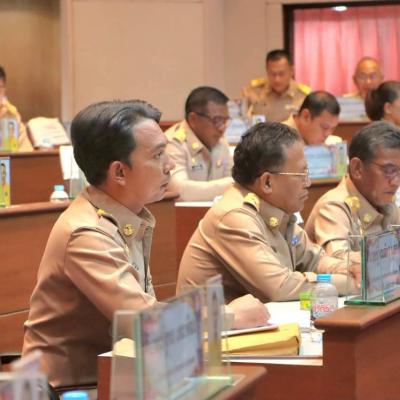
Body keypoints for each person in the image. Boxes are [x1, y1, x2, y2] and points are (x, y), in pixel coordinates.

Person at [22, 100, 268, 390]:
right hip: (70, 390)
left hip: (121, 376)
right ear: (119, 172)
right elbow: (145, 321)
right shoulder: (86, 233)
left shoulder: (127, 217)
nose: (170, 165)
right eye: (158, 155)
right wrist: (226, 316)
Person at [177, 122, 359, 303]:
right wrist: (350, 284)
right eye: (301, 175)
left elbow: (315, 260)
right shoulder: (234, 217)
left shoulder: (277, 212)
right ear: (267, 182)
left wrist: (348, 268)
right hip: (216, 322)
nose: (308, 183)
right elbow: (280, 287)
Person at [305, 121, 400, 264]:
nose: (396, 182)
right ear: (357, 169)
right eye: (389, 170)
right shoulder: (334, 207)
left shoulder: (387, 203)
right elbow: (341, 262)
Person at [165, 86, 233, 201]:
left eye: (225, 121)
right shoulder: (172, 143)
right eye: (217, 120)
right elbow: (178, 191)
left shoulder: (220, 141)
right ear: (193, 119)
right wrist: (231, 184)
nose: (222, 128)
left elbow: (232, 177)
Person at [242, 49, 311, 123]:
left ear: (291, 71)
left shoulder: (304, 96)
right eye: (273, 74)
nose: (277, 79)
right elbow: (241, 120)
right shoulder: (253, 91)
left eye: (281, 74)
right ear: (267, 71)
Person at [0, 66, 33, 151]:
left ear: (4, 89)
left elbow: (26, 151)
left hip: (8, 160)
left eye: (0, 88)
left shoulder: (12, 115)